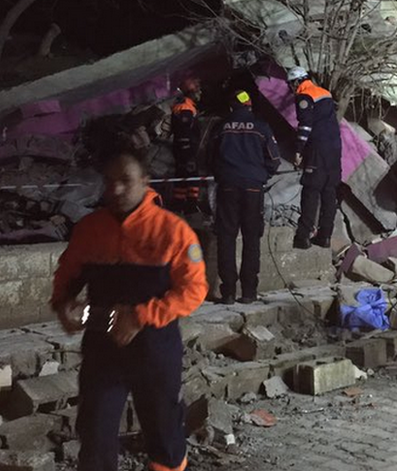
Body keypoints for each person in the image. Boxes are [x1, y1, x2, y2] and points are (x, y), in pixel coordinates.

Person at [51, 146, 208, 471]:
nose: (116, 189)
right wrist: (63, 304)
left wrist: (140, 316)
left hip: (154, 349)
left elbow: (194, 290)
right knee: (94, 433)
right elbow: (68, 275)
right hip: (102, 349)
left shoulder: (173, 232)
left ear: (146, 181)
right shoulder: (90, 229)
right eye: (109, 181)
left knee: (164, 433)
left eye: (126, 180)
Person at [209, 90, 280, 304]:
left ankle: (228, 292)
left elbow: (208, 156)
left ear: (232, 106)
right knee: (251, 238)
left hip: (227, 187)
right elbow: (274, 160)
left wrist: (223, 174)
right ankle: (249, 292)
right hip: (253, 189)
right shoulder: (261, 127)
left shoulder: (220, 127)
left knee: (226, 237)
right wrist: (260, 175)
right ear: (249, 105)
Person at [287, 66, 342, 249]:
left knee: (310, 191)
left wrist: (298, 150)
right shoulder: (324, 93)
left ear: (296, 82)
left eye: (291, 84)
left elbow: (305, 126)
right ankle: (325, 236)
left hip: (317, 150)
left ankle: (303, 237)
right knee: (329, 193)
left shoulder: (304, 96)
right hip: (334, 151)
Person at [170, 79, 202, 207]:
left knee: (182, 176)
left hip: (182, 148)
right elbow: (184, 131)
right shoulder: (185, 107)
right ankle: (191, 206)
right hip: (186, 148)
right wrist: (187, 150)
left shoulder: (185, 105)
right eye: (197, 90)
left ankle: (180, 204)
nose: (199, 93)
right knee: (192, 176)